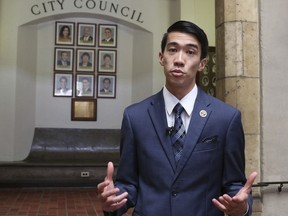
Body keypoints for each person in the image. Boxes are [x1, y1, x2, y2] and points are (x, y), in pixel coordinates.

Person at [97, 20, 257, 216]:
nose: (179, 59)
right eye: (173, 50)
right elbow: (129, 184)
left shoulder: (226, 118)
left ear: (202, 64)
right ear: (161, 57)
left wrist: (242, 207)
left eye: (190, 52)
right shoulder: (135, 117)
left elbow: (234, 184)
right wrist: (113, 202)